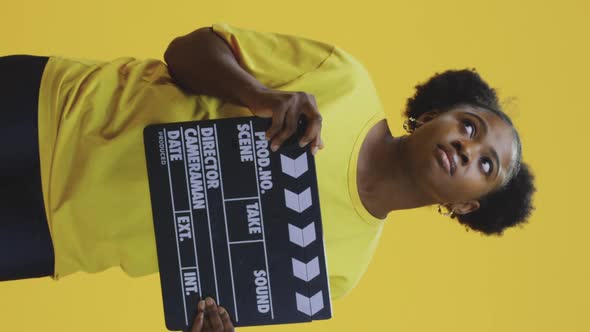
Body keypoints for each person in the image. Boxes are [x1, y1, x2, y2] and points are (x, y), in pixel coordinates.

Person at [0, 22, 535, 332]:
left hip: (58, 236)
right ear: (432, 115)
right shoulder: (341, 78)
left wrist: (209, 325)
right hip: (56, 107)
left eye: (486, 164)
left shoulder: (339, 271)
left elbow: (208, 297)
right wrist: (260, 95)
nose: (468, 149)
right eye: (470, 126)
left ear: (468, 206)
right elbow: (186, 50)